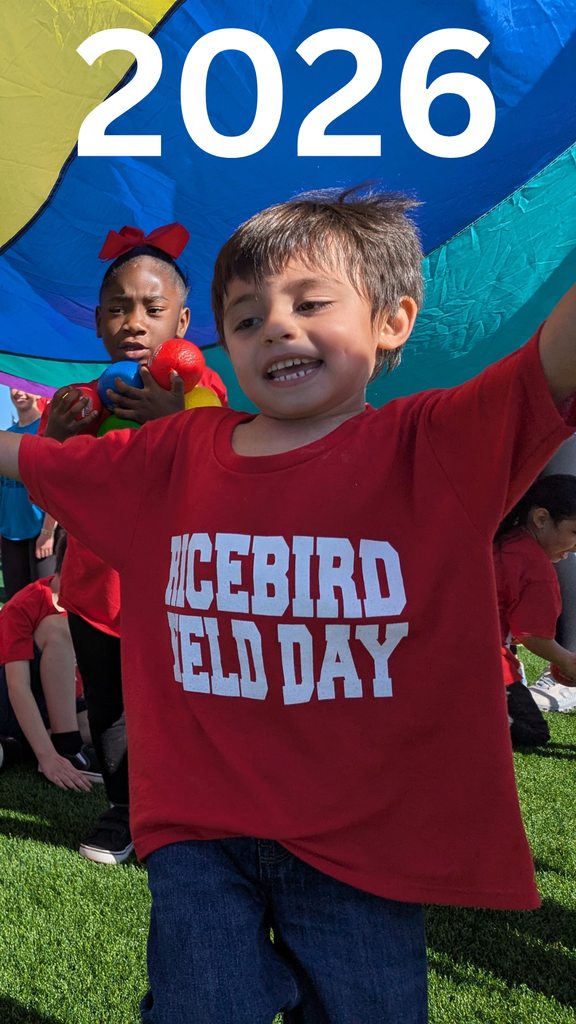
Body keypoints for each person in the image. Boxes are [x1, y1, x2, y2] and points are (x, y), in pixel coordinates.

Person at [1, 186, 576, 1023]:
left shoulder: (435, 445)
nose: (275, 325)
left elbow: (553, 360)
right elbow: (23, 456)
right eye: (245, 317)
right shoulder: (169, 455)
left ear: (393, 320)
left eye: (311, 303)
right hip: (199, 827)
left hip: (365, 842)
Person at [39, 222, 227, 864]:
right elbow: (52, 495)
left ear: (183, 320)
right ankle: (124, 810)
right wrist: (56, 441)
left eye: (153, 308)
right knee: (113, 709)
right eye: (119, 307)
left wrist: (175, 423)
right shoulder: (80, 400)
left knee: (189, 704)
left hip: (184, 591)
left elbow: (221, 472)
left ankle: (194, 805)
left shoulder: (200, 392)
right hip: (100, 592)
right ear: (97, 322)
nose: (135, 321)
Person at [0, 531, 99, 789]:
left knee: (113, 725)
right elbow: (17, 687)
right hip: (9, 701)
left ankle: (19, 745)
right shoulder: (24, 605)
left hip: (51, 710)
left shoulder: (95, 608)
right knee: (56, 628)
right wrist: (48, 758)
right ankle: (65, 748)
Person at [493, 474, 576, 744]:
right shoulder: (536, 568)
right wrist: (566, 661)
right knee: (533, 732)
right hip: (484, 668)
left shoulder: (507, 541)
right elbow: (533, 635)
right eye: (575, 533)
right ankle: (464, 718)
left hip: (444, 657)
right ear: (541, 519)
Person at [0, 388, 57, 599]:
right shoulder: (6, 436)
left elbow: (57, 487)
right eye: (13, 387)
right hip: (10, 534)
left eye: (23, 387)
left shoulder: (47, 430)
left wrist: (48, 532)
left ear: (37, 392)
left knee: (46, 604)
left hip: (41, 534)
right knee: (16, 604)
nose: (18, 392)